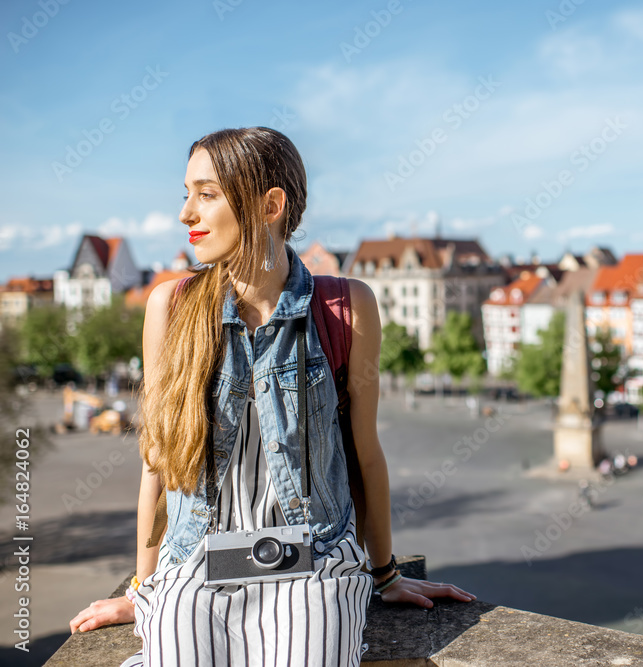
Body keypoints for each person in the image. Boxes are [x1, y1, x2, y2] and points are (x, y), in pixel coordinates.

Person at [68, 127, 473, 665]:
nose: (186, 212)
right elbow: (159, 464)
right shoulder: (171, 307)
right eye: (185, 193)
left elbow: (365, 453)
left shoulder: (344, 308)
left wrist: (384, 573)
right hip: (196, 562)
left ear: (270, 205)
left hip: (316, 562)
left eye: (206, 194)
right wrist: (144, 587)